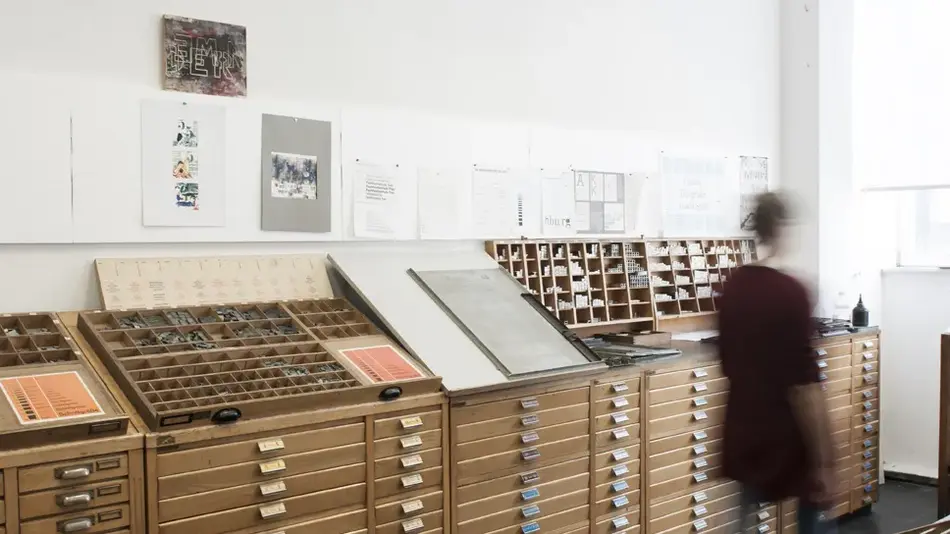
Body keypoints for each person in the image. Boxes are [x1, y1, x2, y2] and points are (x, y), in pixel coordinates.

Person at [718, 192, 834, 534]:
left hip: (744, 433)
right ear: (782, 227)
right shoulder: (791, 292)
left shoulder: (733, 287)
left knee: (743, 522)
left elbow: (728, 364)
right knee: (813, 522)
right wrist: (825, 458)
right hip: (787, 439)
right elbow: (805, 389)